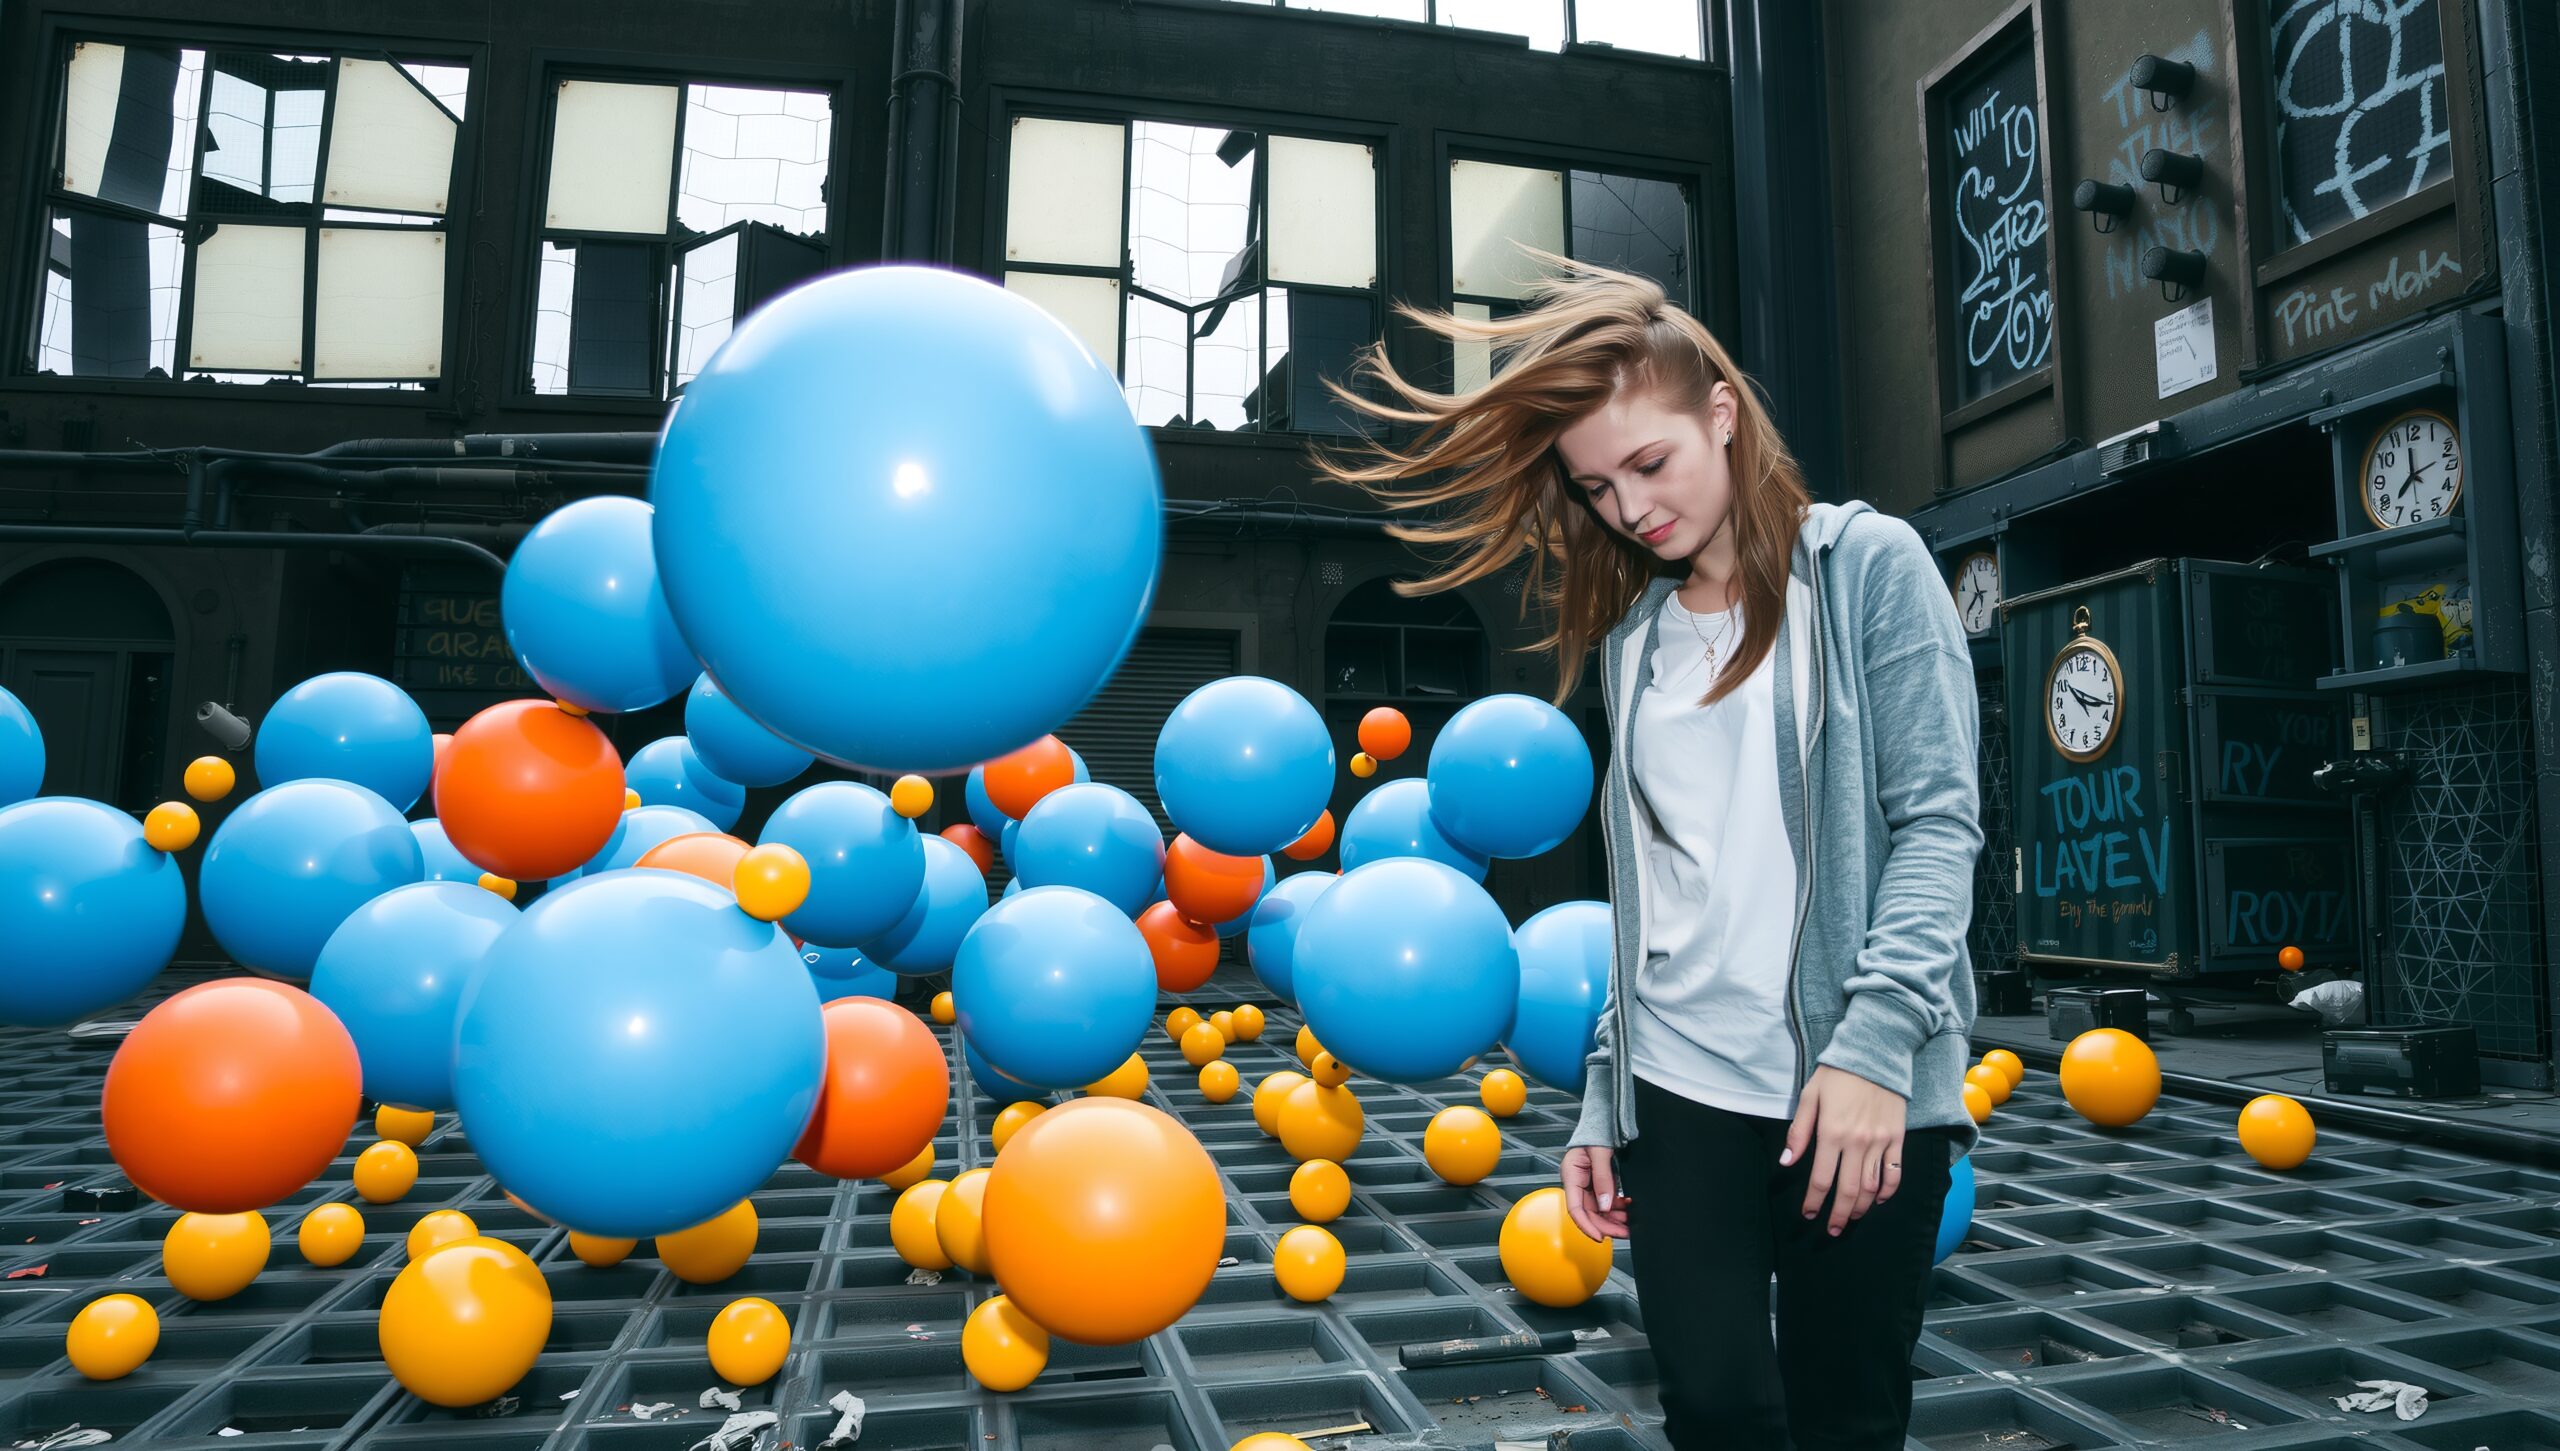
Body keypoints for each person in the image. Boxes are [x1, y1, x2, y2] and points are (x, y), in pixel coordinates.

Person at [1309, 251, 1983, 1449]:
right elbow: (1659, 902)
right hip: (1681, 1096)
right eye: (1597, 486)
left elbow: (1937, 825)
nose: (1628, 507)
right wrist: (1600, 1103)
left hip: (1855, 1080)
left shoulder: (1866, 568)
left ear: (1720, 414)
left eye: (1648, 462)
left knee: (1846, 1416)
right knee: (1715, 1410)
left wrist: (1878, 1051)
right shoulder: (1634, 645)